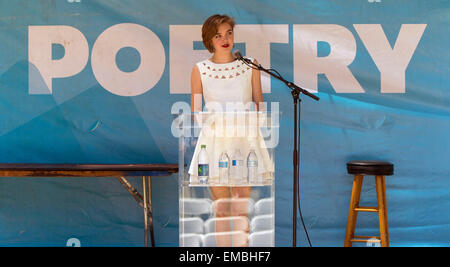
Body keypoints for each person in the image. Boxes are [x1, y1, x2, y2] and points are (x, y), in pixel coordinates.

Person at [189, 14, 272, 247]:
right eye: (218, 35)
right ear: (209, 40)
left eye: (228, 33)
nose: (225, 39)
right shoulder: (200, 69)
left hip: (245, 142)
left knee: (241, 206)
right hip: (215, 143)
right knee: (222, 208)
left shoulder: (249, 65)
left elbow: (259, 103)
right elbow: (196, 111)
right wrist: (215, 122)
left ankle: (242, 251)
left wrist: (254, 121)